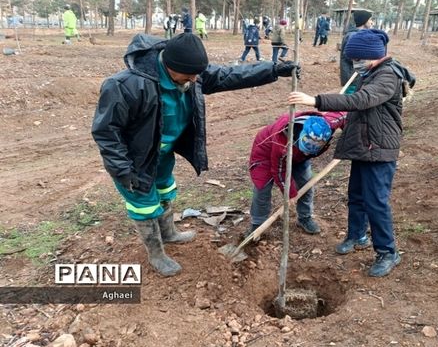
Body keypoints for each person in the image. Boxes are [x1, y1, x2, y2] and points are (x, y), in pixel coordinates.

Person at [91, 33, 300, 277]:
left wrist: (274, 70)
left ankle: (168, 233)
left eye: (198, 74)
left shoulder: (192, 75)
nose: (195, 80)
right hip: (134, 160)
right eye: (190, 76)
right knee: (144, 206)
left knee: (164, 191)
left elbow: (229, 75)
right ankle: (156, 254)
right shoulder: (125, 86)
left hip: (162, 154)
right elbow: (106, 131)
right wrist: (122, 169)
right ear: (170, 67)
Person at [288, 29, 416, 277]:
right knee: (356, 195)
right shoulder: (370, 72)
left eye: (359, 59)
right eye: (352, 59)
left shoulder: (387, 76)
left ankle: (388, 252)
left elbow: (361, 100)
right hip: (364, 146)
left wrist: (315, 100)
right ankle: (357, 235)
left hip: (379, 149)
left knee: (376, 202)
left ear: (375, 56)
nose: (355, 64)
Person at [247, 112, 346, 236]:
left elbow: (345, 114)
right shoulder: (281, 143)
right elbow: (278, 171)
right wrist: (290, 194)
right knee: (262, 188)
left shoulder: (327, 125)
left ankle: (305, 218)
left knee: (306, 185)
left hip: (296, 156)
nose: (307, 154)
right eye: (305, 149)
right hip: (266, 155)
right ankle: (257, 225)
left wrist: (349, 133)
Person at [339, 10, 373, 92]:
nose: (372, 22)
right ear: (364, 21)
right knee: (350, 102)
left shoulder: (359, 35)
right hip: (352, 77)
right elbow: (349, 55)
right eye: (370, 20)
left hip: (357, 76)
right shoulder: (353, 36)